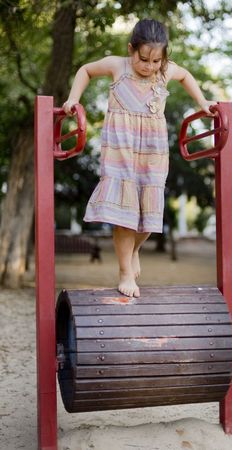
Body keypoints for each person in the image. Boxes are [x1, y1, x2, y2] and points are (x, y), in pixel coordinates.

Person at [63, 18, 217, 297]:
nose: (149, 66)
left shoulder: (166, 71)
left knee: (149, 209)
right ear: (131, 49)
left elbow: (185, 76)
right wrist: (74, 98)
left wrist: (203, 103)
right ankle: (125, 273)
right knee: (124, 212)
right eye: (143, 59)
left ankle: (134, 250)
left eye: (156, 61)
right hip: (120, 147)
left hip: (153, 149)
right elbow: (85, 70)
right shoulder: (117, 65)